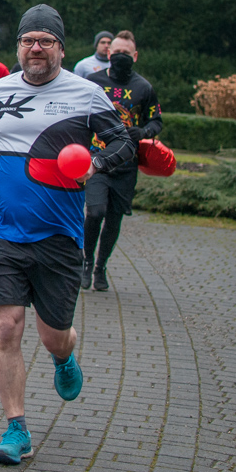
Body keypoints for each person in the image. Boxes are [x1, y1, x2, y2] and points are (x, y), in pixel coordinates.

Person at [0, 4, 134, 465]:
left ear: (61, 48)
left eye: (45, 41)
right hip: (3, 231)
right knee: (6, 326)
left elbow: (123, 142)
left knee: (53, 334)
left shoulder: (86, 94)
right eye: (27, 40)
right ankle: (16, 429)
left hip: (59, 236)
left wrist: (95, 164)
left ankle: (64, 355)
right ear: (18, 46)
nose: (35, 48)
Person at [83, 30, 161, 291]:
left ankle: (100, 267)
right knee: (95, 212)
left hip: (126, 165)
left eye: (126, 54)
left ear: (135, 56)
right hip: (96, 161)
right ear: (108, 53)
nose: (120, 57)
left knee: (114, 219)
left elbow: (156, 120)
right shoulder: (92, 82)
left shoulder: (144, 87)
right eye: (116, 53)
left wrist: (145, 132)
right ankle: (85, 261)